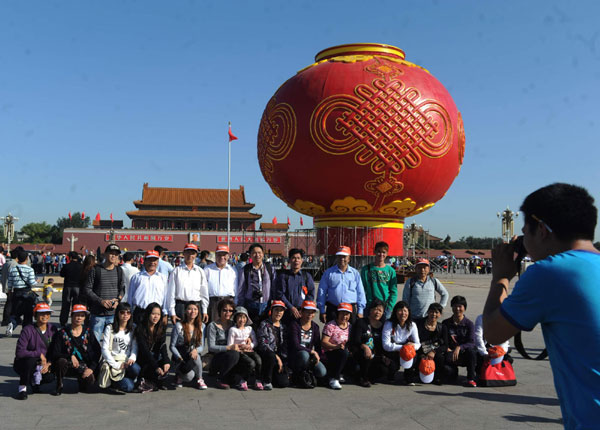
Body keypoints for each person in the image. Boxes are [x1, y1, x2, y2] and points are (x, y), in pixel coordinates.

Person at [483, 183, 600, 428]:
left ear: (543, 230)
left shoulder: (550, 272)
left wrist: (501, 277)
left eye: (526, 232)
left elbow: (493, 332)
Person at [51, 304, 101, 395]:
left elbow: (97, 351)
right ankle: (59, 384)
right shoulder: (62, 333)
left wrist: (91, 368)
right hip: (68, 365)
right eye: (77, 315)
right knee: (61, 361)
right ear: (72, 315)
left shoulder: (88, 332)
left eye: (82, 316)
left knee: (89, 383)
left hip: (84, 365)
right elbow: (55, 353)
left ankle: (82, 381)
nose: (79, 318)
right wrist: (70, 356)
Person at [13, 303, 57, 399]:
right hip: (26, 362)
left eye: (47, 313)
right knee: (31, 361)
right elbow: (20, 352)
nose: (45, 316)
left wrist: (49, 363)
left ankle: (35, 383)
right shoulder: (27, 330)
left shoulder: (53, 330)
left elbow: (55, 350)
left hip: (44, 363)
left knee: (50, 377)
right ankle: (22, 388)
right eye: (41, 314)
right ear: (35, 315)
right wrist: (39, 354)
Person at [83, 244, 126, 342]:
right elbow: (87, 289)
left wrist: (118, 300)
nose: (113, 256)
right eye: (111, 253)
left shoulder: (119, 271)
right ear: (106, 254)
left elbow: (122, 289)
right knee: (95, 343)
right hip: (98, 314)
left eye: (116, 254)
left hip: (113, 314)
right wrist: (100, 301)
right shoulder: (95, 270)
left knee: (113, 343)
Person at [350, 298, 395, 387]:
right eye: (375, 309)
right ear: (370, 310)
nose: (377, 312)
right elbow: (355, 340)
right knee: (366, 354)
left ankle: (367, 376)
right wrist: (365, 347)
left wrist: (384, 357)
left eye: (380, 310)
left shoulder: (384, 326)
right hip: (361, 352)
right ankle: (362, 378)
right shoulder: (361, 322)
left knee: (384, 369)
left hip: (376, 355)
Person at [317, 246, 366, 324]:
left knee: (351, 334)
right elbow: (321, 291)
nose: (342, 259)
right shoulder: (328, 273)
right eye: (339, 256)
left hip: (350, 310)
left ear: (349, 258)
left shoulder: (355, 273)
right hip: (333, 309)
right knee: (331, 333)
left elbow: (360, 293)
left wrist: (360, 311)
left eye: (344, 257)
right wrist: (322, 310)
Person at [99, 302, 140, 394]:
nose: (125, 315)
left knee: (136, 368)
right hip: (115, 362)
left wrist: (132, 358)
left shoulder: (133, 328)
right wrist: (116, 365)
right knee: (129, 387)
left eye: (128, 312)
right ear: (117, 313)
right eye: (122, 312)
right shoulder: (110, 328)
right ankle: (113, 381)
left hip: (127, 361)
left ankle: (127, 379)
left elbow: (135, 347)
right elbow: (104, 349)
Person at [167, 243, 209, 325]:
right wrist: (172, 312)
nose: (190, 255)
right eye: (188, 252)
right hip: (181, 307)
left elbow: (204, 293)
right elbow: (171, 293)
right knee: (180, 334)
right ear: (184, 253)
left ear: (196, 255)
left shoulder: (200, 271)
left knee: (196, 335)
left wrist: (204, 310)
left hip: (196, 307)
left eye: (193, 253)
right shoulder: (176, 271)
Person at [288, 300, 326, 388]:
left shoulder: (315, 327)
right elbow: (296, 345)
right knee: (304, 354)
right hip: (296, 356)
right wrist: (312, 352)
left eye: (312, 312)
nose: (310, 315)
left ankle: (307, 373)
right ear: (301, 312)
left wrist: (318, 357)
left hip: (309, 356)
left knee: (322, 372)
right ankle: (297, 376)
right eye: (307, 312)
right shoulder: (294, 325)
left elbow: (318, 346)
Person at [134, 302, 171, 392]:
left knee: (163, 364)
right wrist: (156, 367)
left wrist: (166, 361)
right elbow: (145, 351)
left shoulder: (161, 328)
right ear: (148, 314)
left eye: (158, 314)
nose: (156, 317)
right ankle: (145, 380)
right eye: (153, 314)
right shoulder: (140, 328)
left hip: (155, 356)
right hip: (142, 358)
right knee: (153, 368)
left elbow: (162, 346)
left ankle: (152, 382)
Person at [170, 301, 207, 390]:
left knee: (196, 355)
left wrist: (195, 350)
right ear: (185, 311)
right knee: (189, 377)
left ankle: (200, 379)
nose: (192, 311)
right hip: (181, 356)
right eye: (190, 309)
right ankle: (179, 375)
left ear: (198, 311)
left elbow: (202, 346)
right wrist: (179, 358)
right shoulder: (179, 326)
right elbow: (172, 346)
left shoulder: (202, 326)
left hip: (192, 356)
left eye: (195, 309)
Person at [236, 243, 276, 325]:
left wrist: (273, 304)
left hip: (266, 305)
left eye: (259, 252)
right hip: (250, 305)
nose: (257, 255)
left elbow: (274, 287)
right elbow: (241, 290)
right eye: (254, 253)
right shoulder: (245, 270)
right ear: (250, 255)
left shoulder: (270, 268)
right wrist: (241, 307)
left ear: (263, 254)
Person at [206, 298, 242, 389]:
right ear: (219, 311)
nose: (228, 313)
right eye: (224, 310)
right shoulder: (213, 326)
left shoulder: (234, 325)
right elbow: (211, 347)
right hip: (217, 358)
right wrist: (228, 347)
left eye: (230, 311)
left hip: (232, 357)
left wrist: (248, 339)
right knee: (234, 354)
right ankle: (220, 379)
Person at [382, 301, 421, 385]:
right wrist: (403, 347)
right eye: (400, 310)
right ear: (395, 312)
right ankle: (391, 374)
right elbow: (385, 345)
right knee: (392, 365)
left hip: (407, 351)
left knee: (413, 354)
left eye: (405, 311)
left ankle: (408, 377)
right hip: (393, 351)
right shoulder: (389, 324)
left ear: (408, 313)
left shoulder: (412, 325)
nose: (403, 313)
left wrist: (411, 346)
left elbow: (418, 344)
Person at [443, 295, 477, 387]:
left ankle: (471, 378)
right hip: (451, 353)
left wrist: (460, 347)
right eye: (455, 306)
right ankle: (453, 372)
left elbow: (471, 342)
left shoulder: (469, 324)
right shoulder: (446, 323)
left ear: (464, 308)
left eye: (460, 306)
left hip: (464, 353)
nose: (457, 309)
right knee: (448, 374)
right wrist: (447, 349)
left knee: (472, 352)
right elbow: (443, 340)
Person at [274, 248, 315, 324]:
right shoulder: (283, 276)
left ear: (302, 260)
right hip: (286, 312)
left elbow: (311, 294)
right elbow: (280, 294)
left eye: (298, 258)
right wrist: (291, 307)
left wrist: (304, 308)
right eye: (293, 258)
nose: (296, 260)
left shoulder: (306, 276)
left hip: (302, 313)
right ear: (289, 260)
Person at [227, 306, 263, 390]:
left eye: (243, 317)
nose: (241, 320)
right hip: (239, 352)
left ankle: (258, 380)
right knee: (251, 363)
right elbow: (230, 344)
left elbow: (255, 342)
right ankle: (243, 380)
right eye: (239, 317)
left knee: (258, 360)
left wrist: (249, 345)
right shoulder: (233, 330)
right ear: (235, 318)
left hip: (249, 350)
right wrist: (240, 348)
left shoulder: (249, 329)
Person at [128, 250, 169, 324]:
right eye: (150, 260)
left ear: (158, 262)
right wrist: (129, 313)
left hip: (157, 314)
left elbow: (166, 297)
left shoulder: (163, 278)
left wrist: (165, 313)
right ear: (144, 261)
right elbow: (130, 297)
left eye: (155, 260)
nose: (152, 263)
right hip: (140, 313)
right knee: (139, 335)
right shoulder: (136, 277)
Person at [256, 300, 289, 390]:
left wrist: (283, 361)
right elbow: (263, 344)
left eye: (281, 310)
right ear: (272, 311)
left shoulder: (283, 327)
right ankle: (266, 381)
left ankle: (274, 376)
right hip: (267, 355)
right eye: (276, 310)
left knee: (284, 383)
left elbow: (285, 346)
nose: (278, 313)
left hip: (279, 357)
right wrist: (276, 357)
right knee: (270, 356)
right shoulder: (264, 324)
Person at [360, 241, 397, 319]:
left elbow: (394, 291)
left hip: (385, 307)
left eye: (384, 252)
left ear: (387, 254)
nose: (381, 254)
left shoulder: (391, 271)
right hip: (369, 306)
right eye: (379, 252)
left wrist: (390, 307)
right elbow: (361, 289)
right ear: (375, 252)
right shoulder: (366, 269)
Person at [6, 250, 38, 336]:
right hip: (27, 293)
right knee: (28, 314)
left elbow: (10, 282)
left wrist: (10, 291)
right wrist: (36, 281)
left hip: (16, 292)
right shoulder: (30, 269)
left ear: (17, 259)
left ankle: (12, 324)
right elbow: (32, 282)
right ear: (27, 259)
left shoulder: (13, 269)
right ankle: (26, 332)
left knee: (16, 312)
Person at [321, 302, 353, 390]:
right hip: (330, 352)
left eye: (346, 314)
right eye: (342, 313)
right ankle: (334, 378)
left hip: (344, 352)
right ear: (338, 313)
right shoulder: (330, 325)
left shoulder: (350, 327)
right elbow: (323, 342)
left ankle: (342, 374)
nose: (344, 316)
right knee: (343, 353)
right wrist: (336, 346)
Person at [416, 303, 448, 385]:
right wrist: (422, 354)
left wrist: (434, 352)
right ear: (428, 312)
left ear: (440, 314)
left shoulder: (442, 327)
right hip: (421, 351)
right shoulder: (419, 324)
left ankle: (437, 377)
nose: (434, 314)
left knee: (440, 357)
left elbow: (445, 345)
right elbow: (415, 341)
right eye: (431, 312)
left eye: (436, 312)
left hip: (434, 353)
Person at [204, 245, 237, 322]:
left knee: (228, 327)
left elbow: (236, 289)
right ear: (215, 256)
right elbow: (203, 289)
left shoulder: (233, 270)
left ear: (228, 256)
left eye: (224, 255)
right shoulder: (207, 269)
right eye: (219, 255)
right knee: (213, 326)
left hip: (229, 302)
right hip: (213, 303)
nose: (222, 257)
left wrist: (236, 304)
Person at [59, 252, 83, 326]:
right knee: (76, 306)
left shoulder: (66, 266)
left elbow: (61, 274)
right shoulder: (81, 266)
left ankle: (63, 322)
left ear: (70, 258)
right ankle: (75, 322)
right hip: (78, 287)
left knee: (65, 305)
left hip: (68, 287)